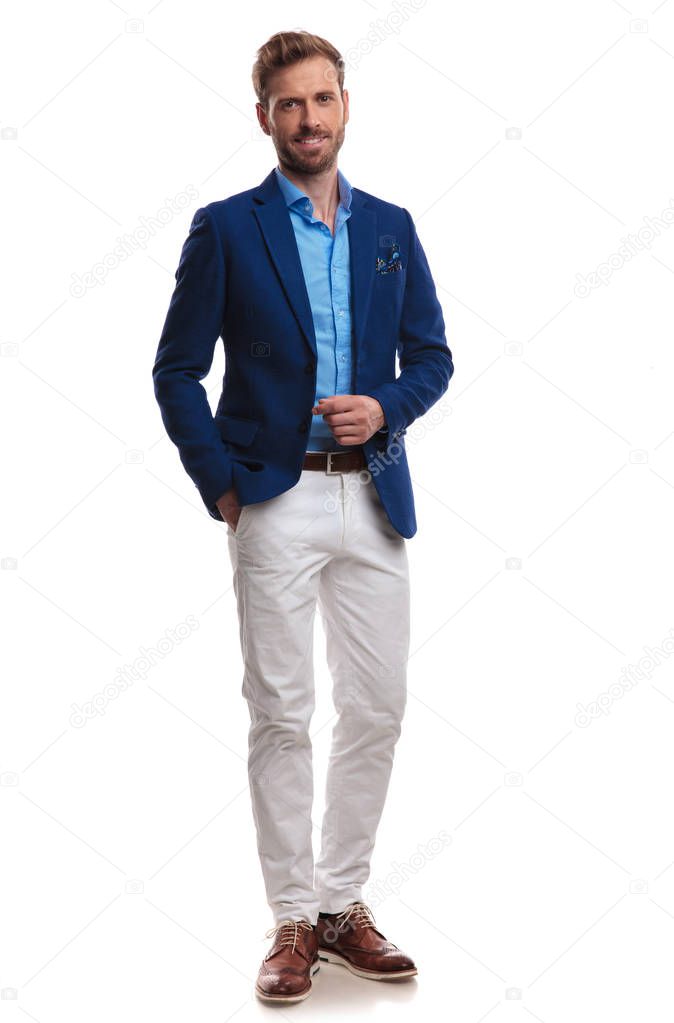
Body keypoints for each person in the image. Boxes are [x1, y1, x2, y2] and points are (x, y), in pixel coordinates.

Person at [152, 29, 454, 1004]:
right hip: (273, 499)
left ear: (345, 106)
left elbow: (433, 356)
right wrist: (220, 482)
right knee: (281, 714)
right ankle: (290, 918)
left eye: (322, 100)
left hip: (371, 493)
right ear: (264, 118)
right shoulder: (226, 229)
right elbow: (176, 370)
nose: (309, 118)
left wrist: (388, 409)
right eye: (290, 104)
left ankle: (340, 906)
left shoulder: (392, 229)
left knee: (376, 708)